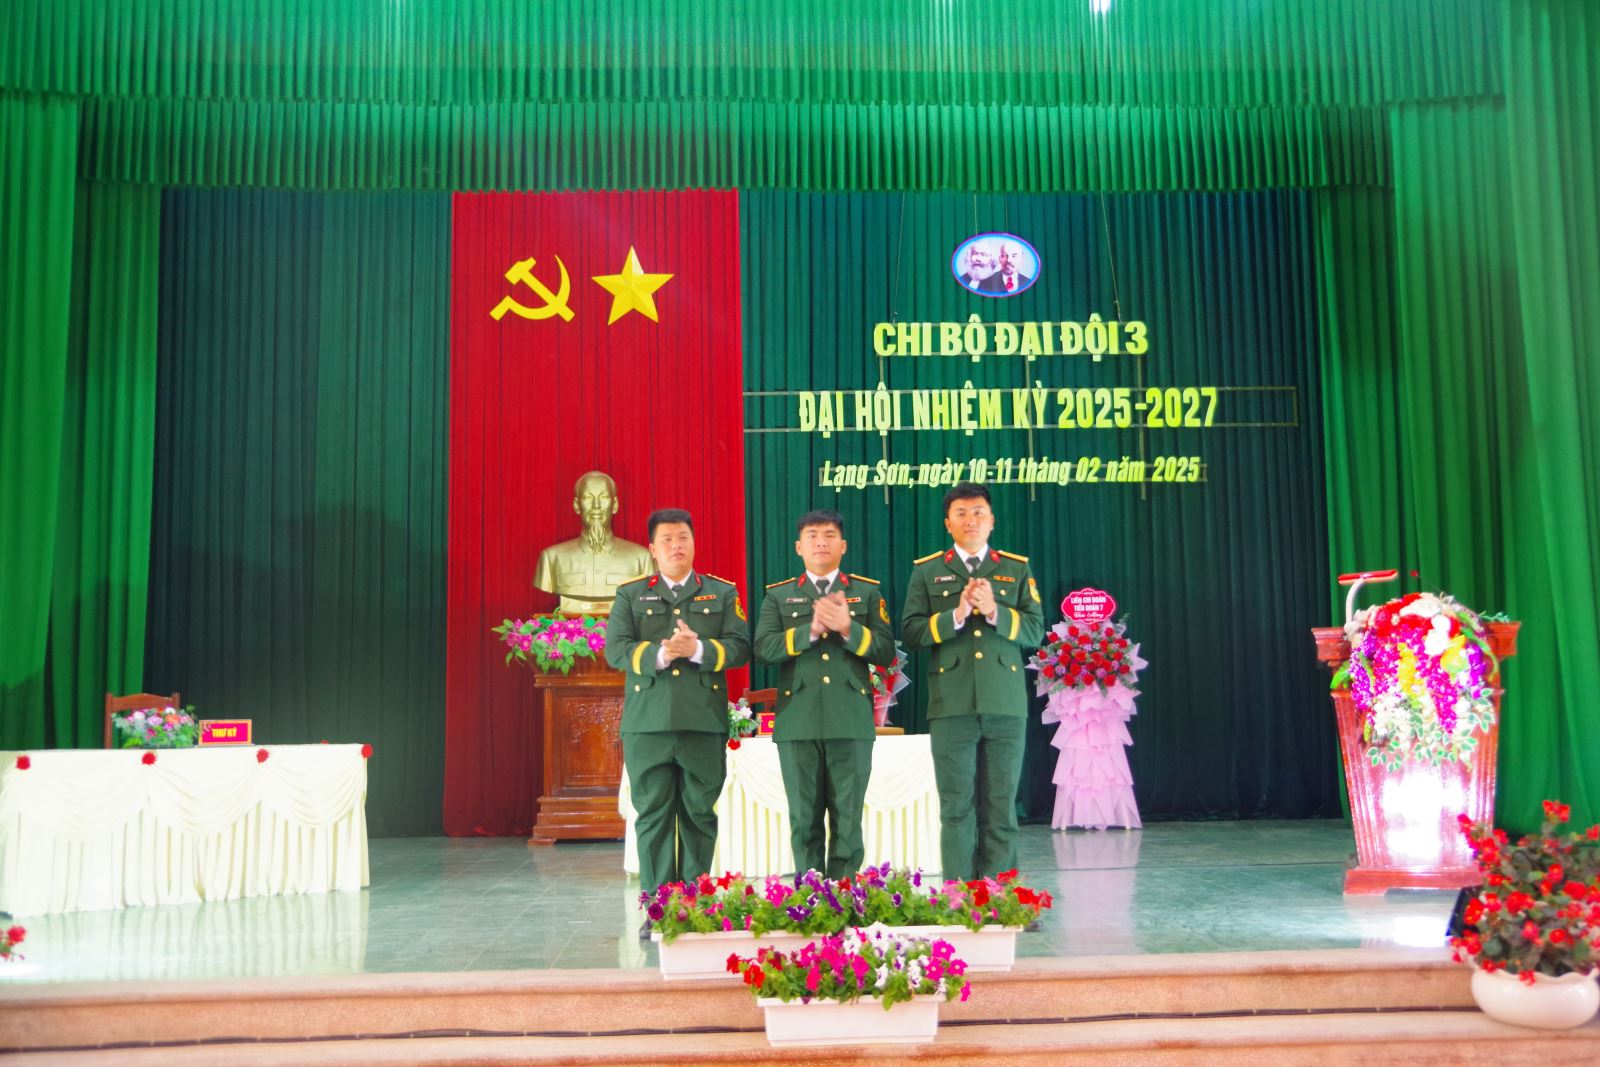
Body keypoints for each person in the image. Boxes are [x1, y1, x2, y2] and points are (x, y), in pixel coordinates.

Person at [605, 508, 750, 933]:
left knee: (699, 815)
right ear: (652, 549)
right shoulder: (630, 595)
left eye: (683, 537)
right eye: (666, 539)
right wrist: (663, 653)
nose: (676, 545)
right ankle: (658, 910)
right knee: (652, 817)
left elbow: (740, 647)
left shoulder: (721, 592)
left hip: (702, 722)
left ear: (694, 542)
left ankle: (694, 906)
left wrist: (698, 649)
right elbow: (616, 649)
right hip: (647, 724)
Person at [901, 483, 1044, 880]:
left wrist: (995, 610)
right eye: (961, 513)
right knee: (956, 808)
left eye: (979, 512)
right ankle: (959, 897)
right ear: (948, 523)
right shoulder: (927, 570)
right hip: (951, 704)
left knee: (1000, 807)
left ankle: (999, 896)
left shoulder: (1016, 568)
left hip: (1005, 703)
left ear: (992, 520)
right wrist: (957, 615)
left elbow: (1035, 631)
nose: (971, 520)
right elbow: (912, 632)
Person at [754, 510, 895, 878]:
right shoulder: (778, 595)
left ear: (843, 545)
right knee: (804, 820)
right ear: (799, 547)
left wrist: (848, 628)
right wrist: (811, 631)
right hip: (798, 721)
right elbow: (764, 648)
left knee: (848, 820)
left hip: (850, 720)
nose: (821, 541)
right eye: (812, 535)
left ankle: (845, 895)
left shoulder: (866, 592)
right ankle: (810, 894)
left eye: (829, 535)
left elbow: (885, 651)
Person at [533, 470, 653, 614]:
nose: (596, 505)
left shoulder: (642, 559)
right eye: (588, 497)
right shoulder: (551, 558)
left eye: (604, 497)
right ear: (577, 505)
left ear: (615, 504)